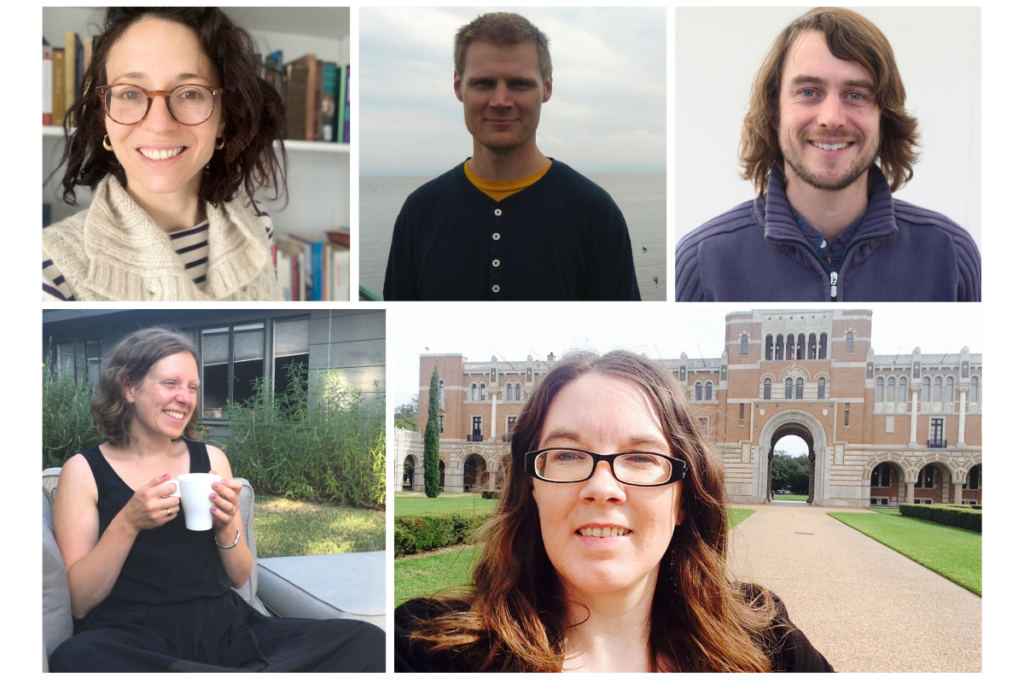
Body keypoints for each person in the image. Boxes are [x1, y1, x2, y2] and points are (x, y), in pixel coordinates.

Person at [395, 350, 833, 672]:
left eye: (642, 458)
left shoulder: (769, 645)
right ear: (532, 486)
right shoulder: (424, 649)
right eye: (567, 455)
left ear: (684, 497)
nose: (602, 488)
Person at [48, 328, 384, 672]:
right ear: (128, 387)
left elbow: (240, 578)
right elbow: (80, 603)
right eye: (171, 383)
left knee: (368, 641)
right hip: (132, 634)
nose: (185, 397)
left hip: (225, 627)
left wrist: (225, 527)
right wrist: (128, 522)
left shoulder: (212, 460)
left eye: (192, 387)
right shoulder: (84, 471)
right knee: (75, 658)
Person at [675, 7, 980, 302]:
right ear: (774, 114)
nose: (832, 117)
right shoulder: (702, 260)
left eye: (855, 95)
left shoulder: (950, 255)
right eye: (809, 92)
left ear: (884, 119)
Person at [383, 12, 641, 301]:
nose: (501, 101)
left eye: (519, 84)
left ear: (547, 87)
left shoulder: (596, 214)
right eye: (484, 83)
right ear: (458, 86)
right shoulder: (420, 213)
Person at [43, 7, 285, 301]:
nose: (159, 125)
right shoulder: (50, 270)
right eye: (130, 93)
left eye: (190, 93)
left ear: (223, 119)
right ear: (104, 114)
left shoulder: (259, 225)